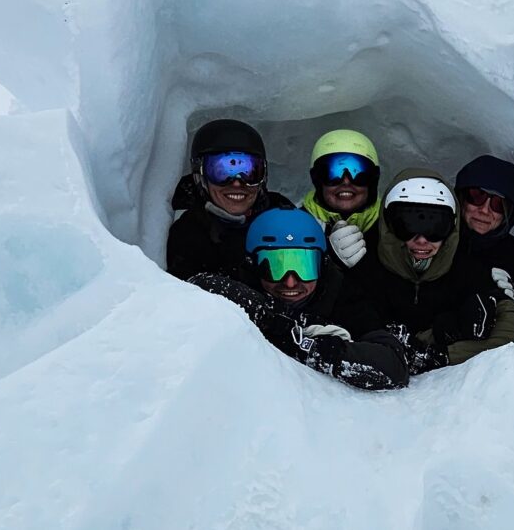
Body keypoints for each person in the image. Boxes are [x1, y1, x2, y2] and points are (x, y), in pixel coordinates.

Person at [189, 208, 408, 390]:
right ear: (252, 265)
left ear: (322, 266)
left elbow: (393, 367)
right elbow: (200, 284)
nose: (291, 282)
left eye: (304, 266)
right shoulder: (245, 285)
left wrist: (313, 347)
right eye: (275, 266)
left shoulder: (341, 295)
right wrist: (274, 320)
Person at [349, 168, 514, 374]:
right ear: (389, 224)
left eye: (436, 228)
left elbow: (513, 326)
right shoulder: (367, 256)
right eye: (407, 225)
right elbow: (343, 309)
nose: (422, 240)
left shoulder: (466, 265)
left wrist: (439, 353)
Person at [167, 119, 292, 281]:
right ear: (200, 175)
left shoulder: (281, 214)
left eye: (250, 172)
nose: (237, 182)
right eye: (221, 171)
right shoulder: (187, 235)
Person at [301, 129, 382, 270]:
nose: (346, 181)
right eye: (333, 173)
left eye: (358, 173)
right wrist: (328, 260)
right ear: (318, 180)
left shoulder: (392, 228)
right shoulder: (296, 225)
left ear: (372, 180)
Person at [454, 155, 514, 305]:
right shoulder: (436, 238)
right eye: (477, 196)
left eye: (498, 204)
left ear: (508, 213)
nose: (484, 210)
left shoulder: (513, 255)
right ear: (462, 199)